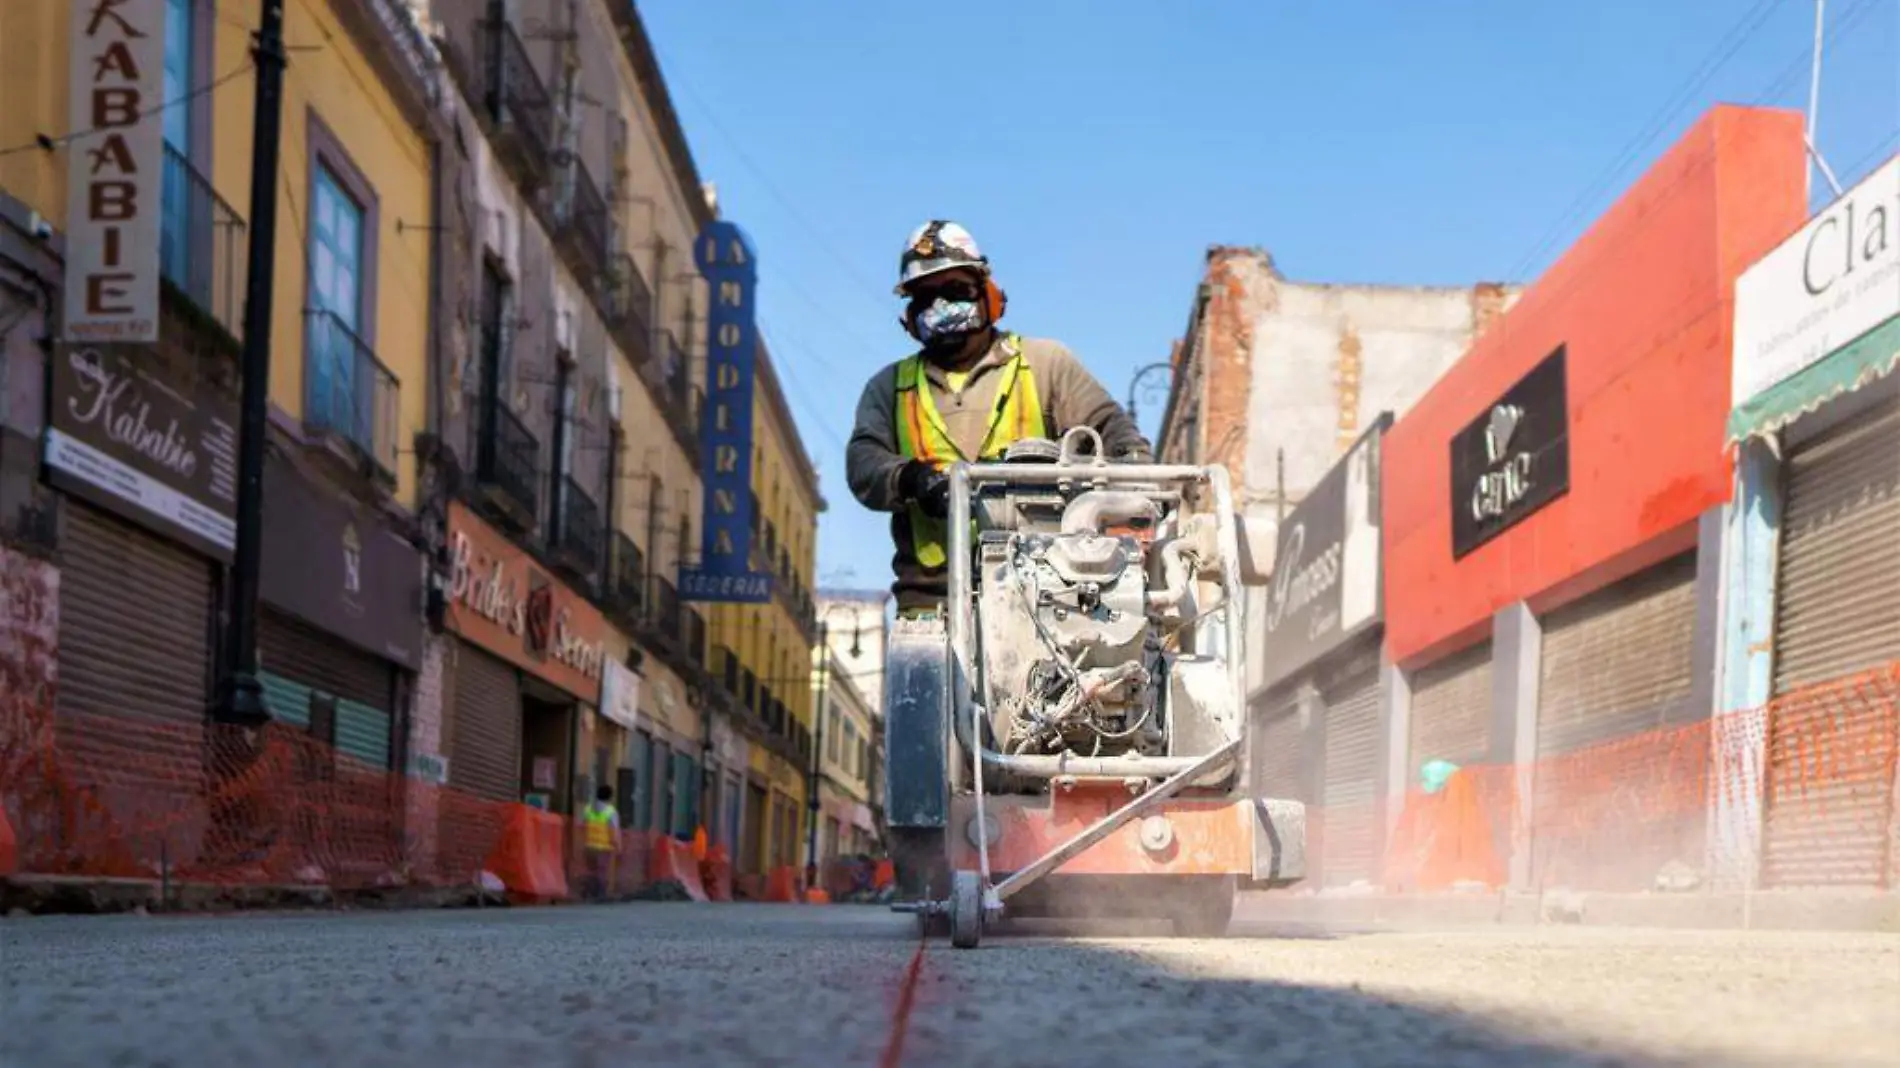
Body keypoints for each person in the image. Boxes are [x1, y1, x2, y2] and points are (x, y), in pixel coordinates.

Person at [846, 220, 1154, 615]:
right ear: (909, 314)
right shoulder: (890, 387)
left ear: (988, 295)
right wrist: (911, 478)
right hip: (932, 603)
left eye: (955, 291)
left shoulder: (1044, 365)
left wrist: (1129, 493)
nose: (940, 306)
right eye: (925, 297)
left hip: (1044, 596)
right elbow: (863, 462)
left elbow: (1118, 437)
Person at [580, 783, 620, 902]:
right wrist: (617, 845)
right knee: (602, 871)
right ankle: (600, 894)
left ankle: (589, 892)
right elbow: (613, 830)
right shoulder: (610, 812)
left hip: (589, 846)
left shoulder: (588, 809)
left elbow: (583, 826)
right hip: (604, 847)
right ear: (610, 797)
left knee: (591, 870)